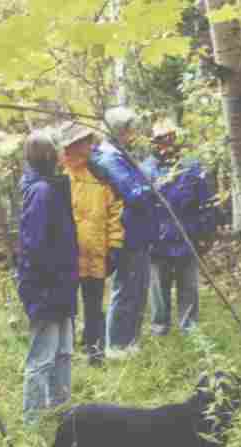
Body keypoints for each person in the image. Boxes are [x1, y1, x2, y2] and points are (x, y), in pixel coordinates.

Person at [18, 130, 79, 424]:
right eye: (57, 151)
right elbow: (34, 247)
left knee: (64, 352)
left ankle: (60, 412)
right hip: (47, 288)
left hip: (62, 285)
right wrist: (43, 289)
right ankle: (33, 419)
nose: (62, 156)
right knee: (42, 357)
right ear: (48, 156)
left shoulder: (54, 187)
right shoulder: (41, 191)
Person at [88, 106, 156, 358]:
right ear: (117, 131)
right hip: (127, 232)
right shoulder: (109, 158)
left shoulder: (120, 155)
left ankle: (130, 342)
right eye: (129, 130)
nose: (132, 134)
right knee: (126, 289)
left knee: (138, 289)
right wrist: (151, 175)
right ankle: (116, 345)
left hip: (139, 231)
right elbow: (134, 194)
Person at [141, 120, 217, 336]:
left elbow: (207, 202)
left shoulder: (192, 166)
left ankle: (190, 329)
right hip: (157, 238)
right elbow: (141, 204)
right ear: (154, 141)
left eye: (170, 136)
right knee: (158, 287)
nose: (166, 142)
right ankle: (159, 328)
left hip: (188, 235)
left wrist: (207, 233)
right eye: (160, 138)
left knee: (189, 286)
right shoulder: (146, 169)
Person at [59, 121, 123, 366]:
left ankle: (95, 353)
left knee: (95, 306)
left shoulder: (100, 174)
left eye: (88, 140)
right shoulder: (59, 177)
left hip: (96, 253)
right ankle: (66, 355)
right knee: (66, 308)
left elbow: (115, 210)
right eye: (83, 141)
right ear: (72, 145)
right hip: (68, 257)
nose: (89, 145)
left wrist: (114, 246)